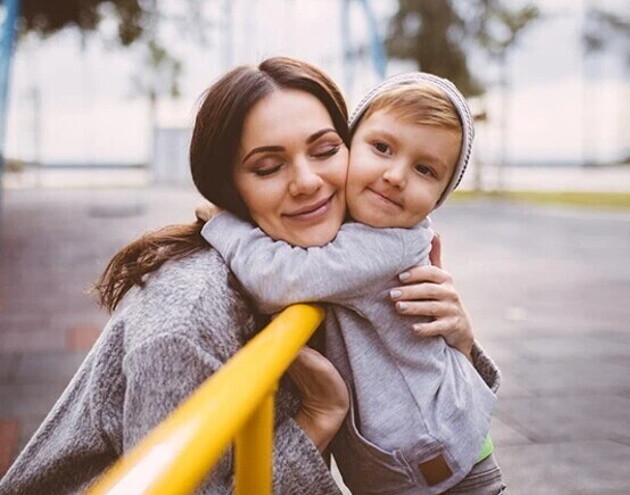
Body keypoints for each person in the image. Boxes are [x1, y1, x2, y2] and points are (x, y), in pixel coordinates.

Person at [0, 58, 491, 495]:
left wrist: (459, 339)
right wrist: (315, 420)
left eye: (323, 150)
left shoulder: (346, 251)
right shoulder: (186, 321)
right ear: (226, 185)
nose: (306, 181)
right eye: (268, 166)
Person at [200, 72, 504, 494]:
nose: (396, 175)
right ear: (351, 143)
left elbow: (281, 278)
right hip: (443, 443)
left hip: (438, 470)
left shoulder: (384, 245)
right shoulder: (364, 229)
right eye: (381, 148)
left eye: (425, 169)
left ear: (437, 199)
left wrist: (224, 224)